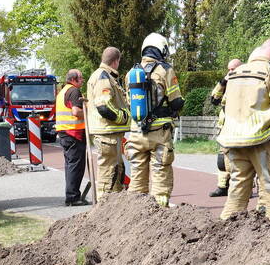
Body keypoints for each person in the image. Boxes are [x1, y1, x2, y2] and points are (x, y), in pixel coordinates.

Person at [217, 39, 270, 225]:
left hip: (234, 142)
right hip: (263, 140)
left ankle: (225, 231)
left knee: (237, 188)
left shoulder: (236, 73)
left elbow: (222, 102)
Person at [125, 33, 184, 207]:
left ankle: (135, 212)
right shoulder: (165, 70)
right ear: (162, 49)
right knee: (160, 172)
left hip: (136, 132)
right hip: (159, 132)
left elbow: (130, 103)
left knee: (137, 176)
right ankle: (159, 215)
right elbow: (176, 101)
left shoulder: (131, 73)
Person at [86, 47, 130, 196]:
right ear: (116, 61)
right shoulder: (103, 77)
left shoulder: (105, 76)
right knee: (109, 173)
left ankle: (112, 208)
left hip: (110, 132)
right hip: (107, 132)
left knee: (116, 171)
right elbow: (104, 107)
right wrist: (123, 117)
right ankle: (104, 207)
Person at [208, 58, 243, 198]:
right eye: (228, 69)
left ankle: (242, 187)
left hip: (240, 127)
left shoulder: (245, 83)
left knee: (240, 159)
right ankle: (222, 186)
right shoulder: (226, 84)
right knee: (222, 159)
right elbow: (214, 99)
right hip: (225, 127)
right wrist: (223, 82)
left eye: (233, 69)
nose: (230, 72)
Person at [55, 69, 88, 206]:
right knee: (76, 166)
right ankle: (73, 197)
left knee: (70, 165)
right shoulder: (74, 91)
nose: (83, 80)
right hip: (74, 133)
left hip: (65, 133)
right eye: (81, 78)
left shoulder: (63, 91)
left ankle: (72, 195)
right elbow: (76, 111)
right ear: (74, 79)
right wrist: (89, 111)